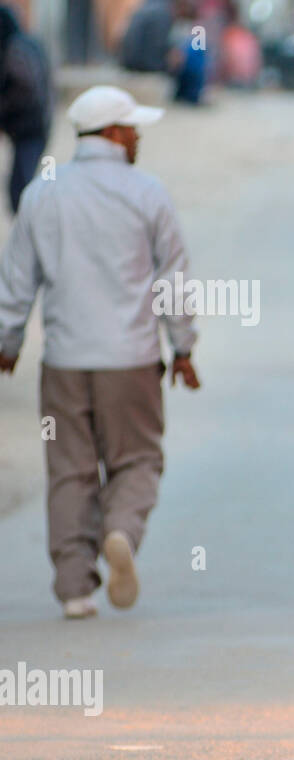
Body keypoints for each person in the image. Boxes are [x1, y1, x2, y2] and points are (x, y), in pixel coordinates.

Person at [0, 85, 200, 619]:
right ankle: (120, 532)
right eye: (133, 128)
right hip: (131, 360)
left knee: (69, 469)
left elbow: (17, 276)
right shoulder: (147, 192)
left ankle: (74, 589)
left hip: (64, 361)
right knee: (137, 459)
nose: (138, 137)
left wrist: (8, 339)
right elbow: (172, 279)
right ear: (112, 134)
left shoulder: (42, 193)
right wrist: (182, 346)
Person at [0, 5, 51, 214]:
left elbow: (25, 89)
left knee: (22, 187)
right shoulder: (22, 45)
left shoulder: (16, 50)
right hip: (30, 125)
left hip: (31, 127)